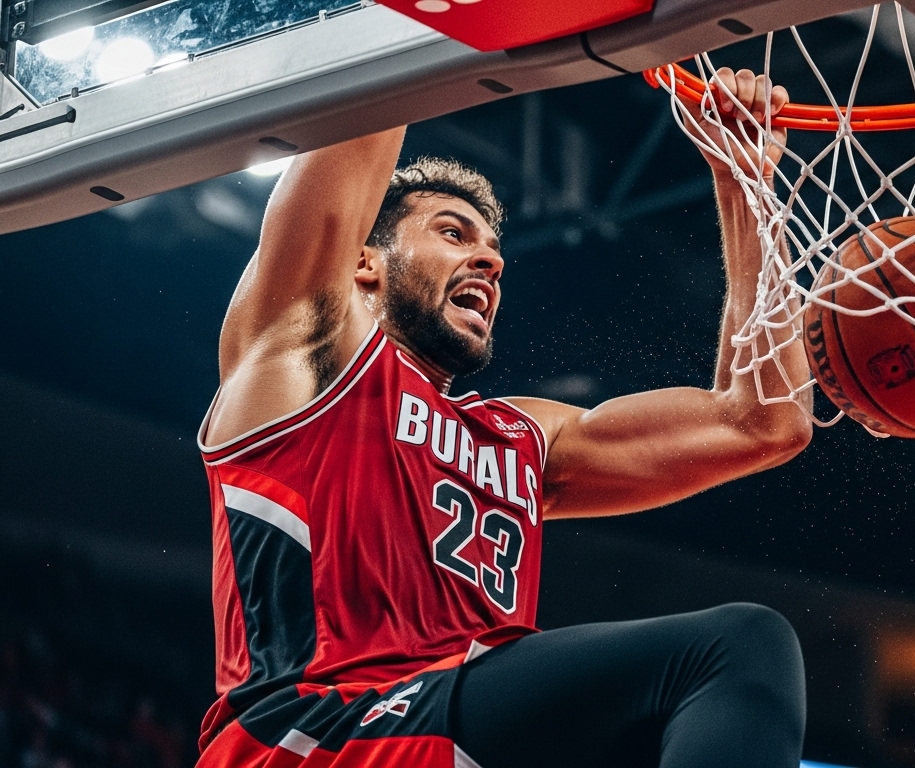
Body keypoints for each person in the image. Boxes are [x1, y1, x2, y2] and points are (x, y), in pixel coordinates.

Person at [194, 70, 811, 768]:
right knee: (736, 646)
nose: (489, 260)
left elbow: (764, 422)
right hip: (316, 731)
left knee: (709, 689)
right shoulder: (305, 355)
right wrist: (437, 32)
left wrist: (745, 184)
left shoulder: (523, 436)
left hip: (449, 732)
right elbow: (366, 98)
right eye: (452, 233)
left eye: (491, 247)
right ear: (364, 262)